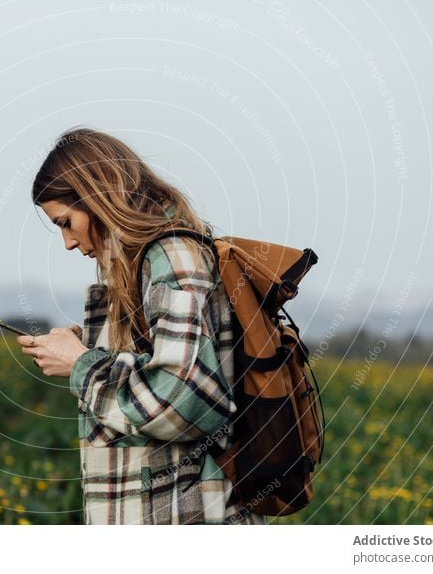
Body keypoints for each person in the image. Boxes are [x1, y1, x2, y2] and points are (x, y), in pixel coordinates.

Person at [16, 126, 266, 525]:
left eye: (66, 221)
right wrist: (87, 346)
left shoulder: (174, 257)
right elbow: (168, 364)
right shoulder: (143, 264)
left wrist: (82, 364)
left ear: (99, 198)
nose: (66, 242)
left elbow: (180, 400)